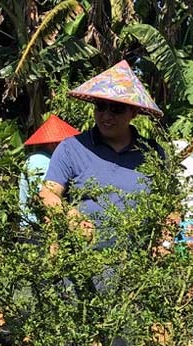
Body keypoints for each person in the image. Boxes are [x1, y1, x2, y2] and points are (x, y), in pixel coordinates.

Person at [39, 60, 164, 234]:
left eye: (117, 109)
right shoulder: (72, 148)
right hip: (82, 250)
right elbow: (48, 194)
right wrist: (70, 217)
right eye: (100, 106)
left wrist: (165, 240)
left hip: (140, 251)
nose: (106, 115)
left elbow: (171, 203)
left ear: (133, 112)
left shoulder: (153, 153)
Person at [18, 114, 79, 228]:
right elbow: (44, 198)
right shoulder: (41, 161)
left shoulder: (47, 159)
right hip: (36, 229)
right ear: (54, 144)